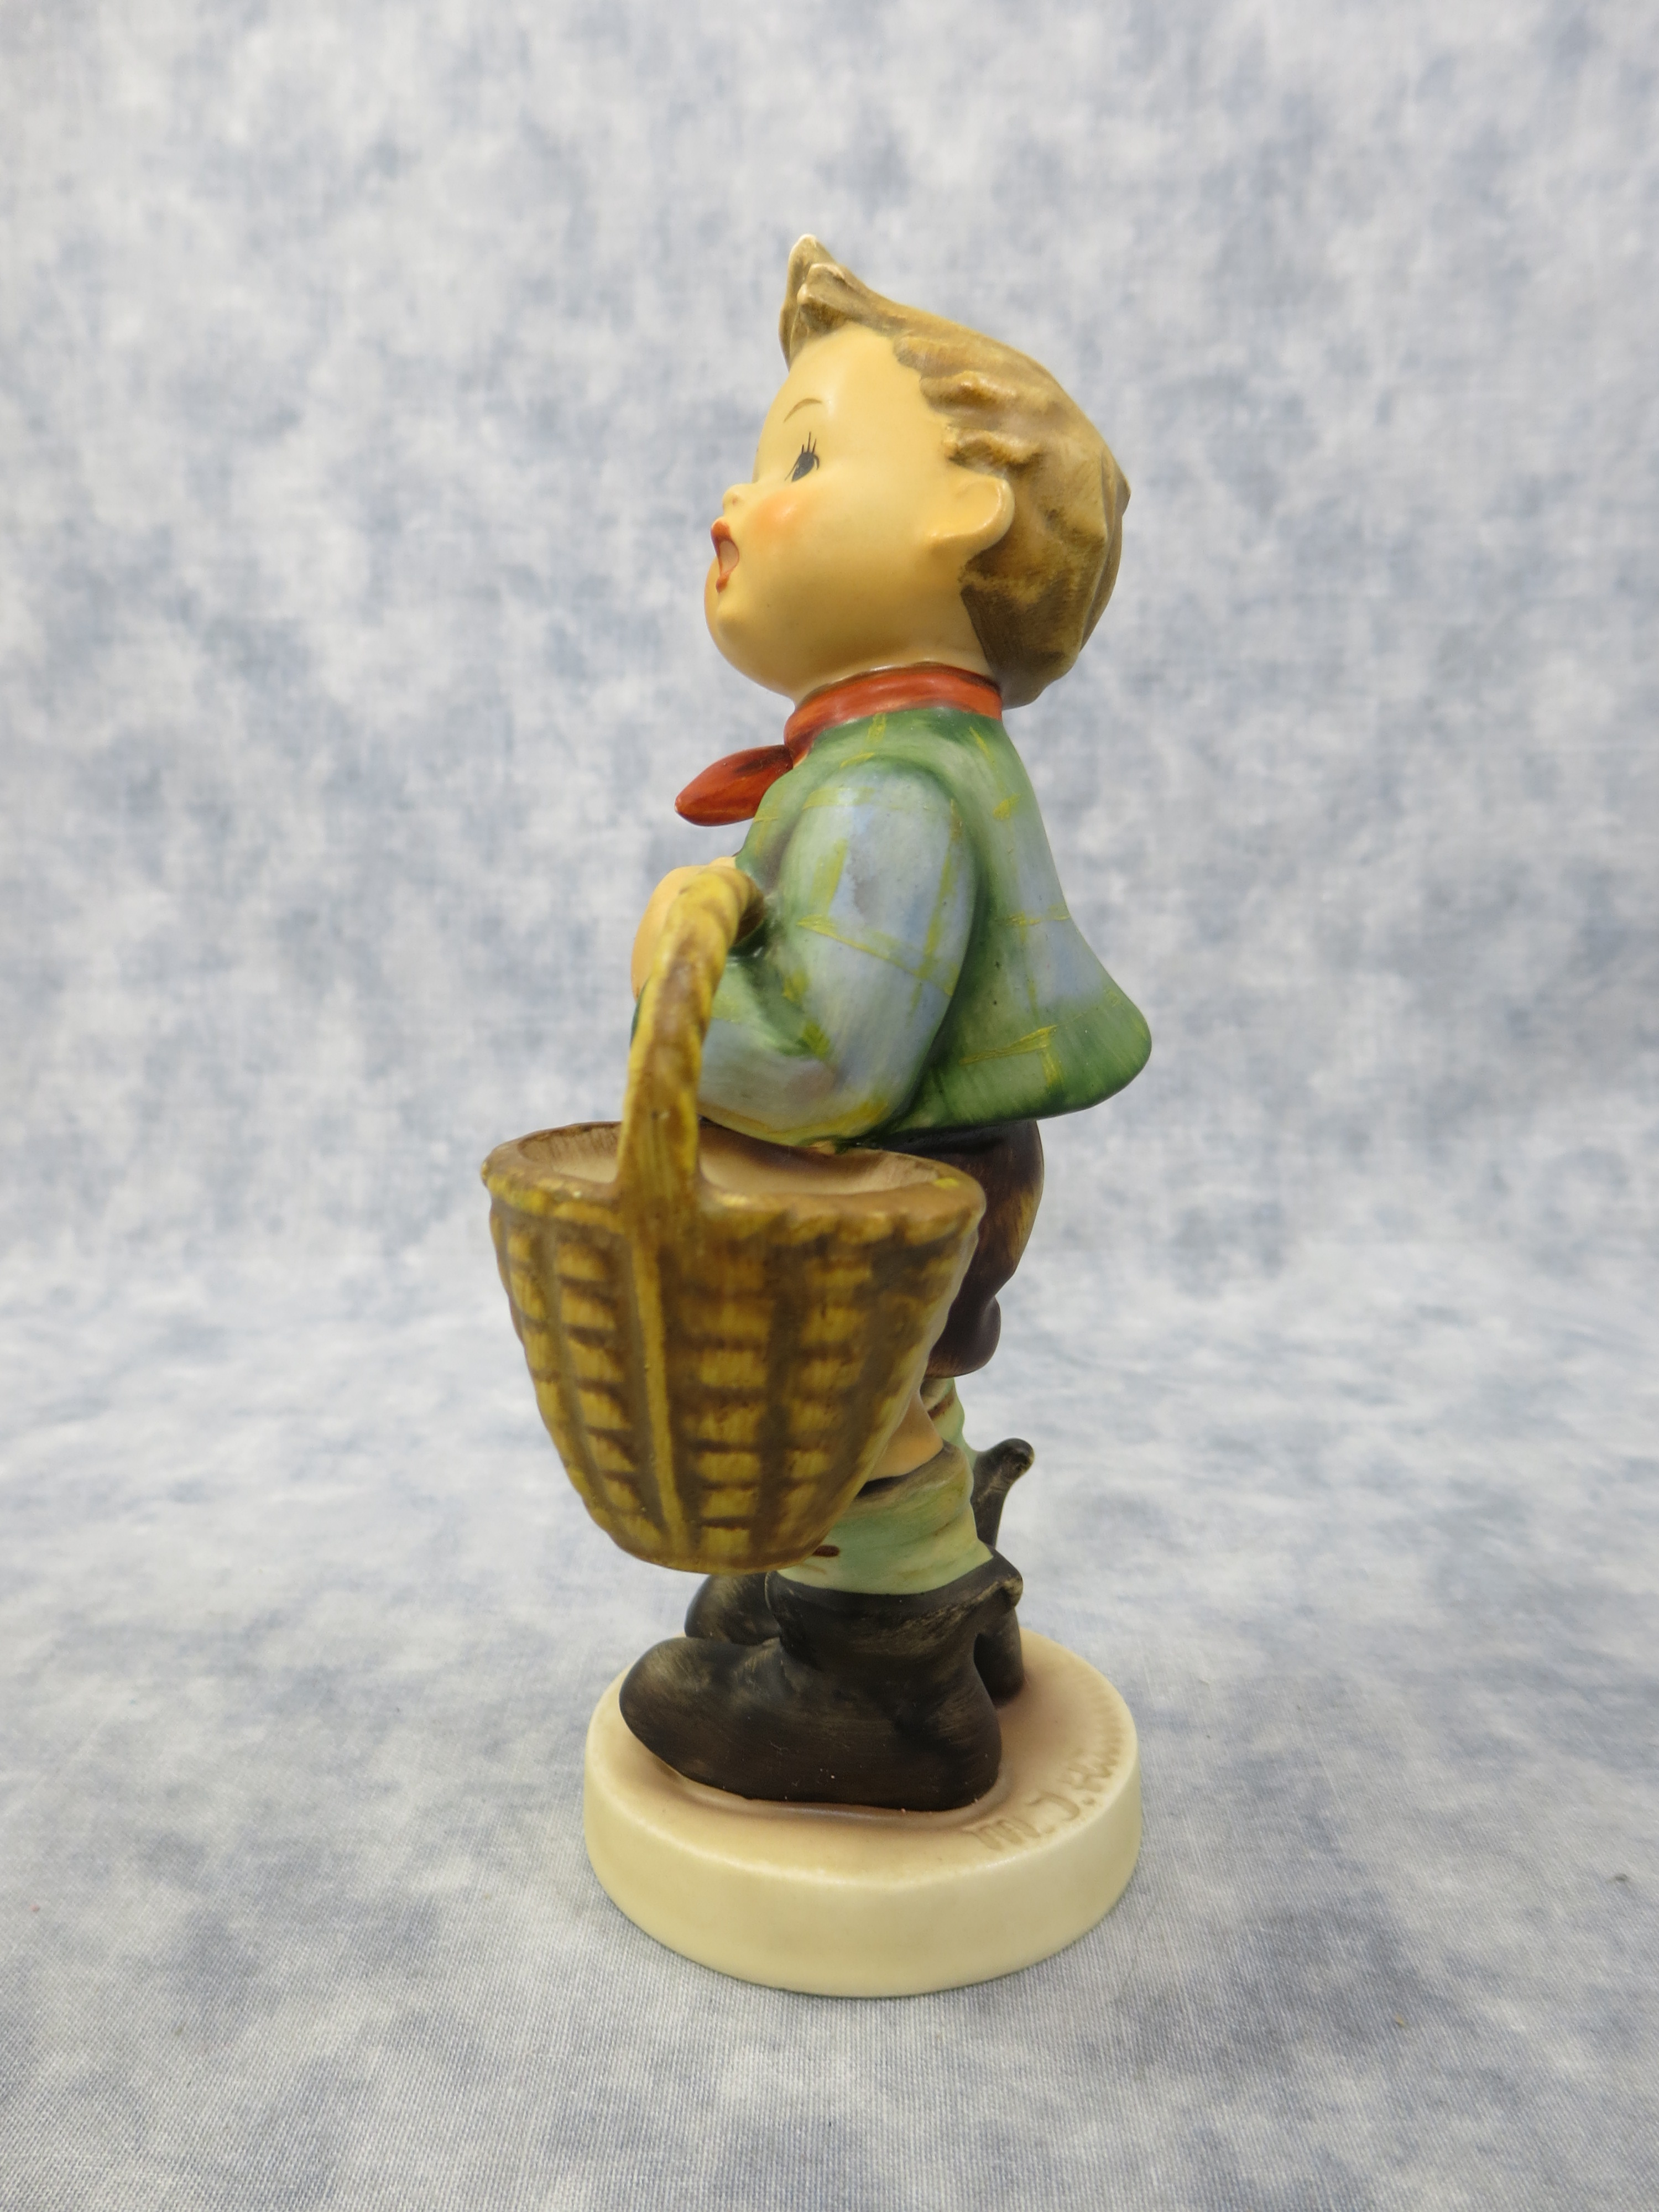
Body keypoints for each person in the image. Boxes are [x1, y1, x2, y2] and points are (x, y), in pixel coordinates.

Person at [619, 238, 1150, 1809]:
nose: (740, 495)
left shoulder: (893, 792)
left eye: (802, 457)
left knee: (845, 1402)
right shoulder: (891, 759)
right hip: (938, 1177)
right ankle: (936, 1583)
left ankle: (885, 1676)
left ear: (958, 515)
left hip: (900, 1188)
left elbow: (825, 1064)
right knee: (890, 1392)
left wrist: (674, 985)